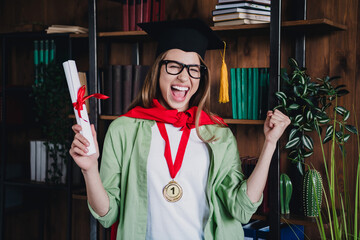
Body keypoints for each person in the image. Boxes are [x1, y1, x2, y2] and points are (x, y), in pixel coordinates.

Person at [69, 19, 291, 240]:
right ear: (157, 69)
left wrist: (270, 144)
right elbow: (107, 215)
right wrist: (90, 170)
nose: (184, 77)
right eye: (174, 66)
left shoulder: (217, 133)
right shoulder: (124, 130)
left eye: (193, 69)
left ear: (201, 76)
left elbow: (241, 209)